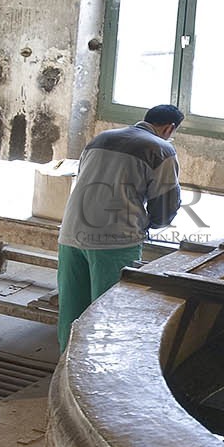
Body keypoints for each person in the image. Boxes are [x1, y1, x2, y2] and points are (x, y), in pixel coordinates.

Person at [57, 103, 184, 350]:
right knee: (108, 313)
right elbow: (165, 203)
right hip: (114, 240)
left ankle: (65, 369)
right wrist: (153, 223)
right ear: (169, 128)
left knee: (72, 311)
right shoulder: (161, 149)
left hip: (71, 234)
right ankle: (100, 373)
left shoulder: (101, 139)